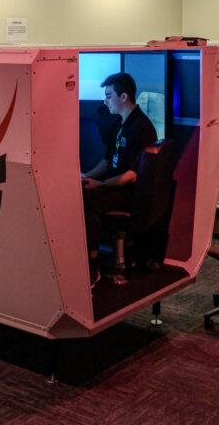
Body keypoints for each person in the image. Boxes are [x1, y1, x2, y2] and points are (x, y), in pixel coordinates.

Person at [81, 72, 157, 286]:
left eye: (108, 96)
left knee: (89, 201)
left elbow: (133, 175)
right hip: (113, 186)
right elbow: (107, 161)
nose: (105, 101)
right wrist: (87, 176)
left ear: (123, 97)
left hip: (129, 193)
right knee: (81, 192)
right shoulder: (120, 124)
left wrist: (100, 185)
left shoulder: (141, 128)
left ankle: (91, 265)